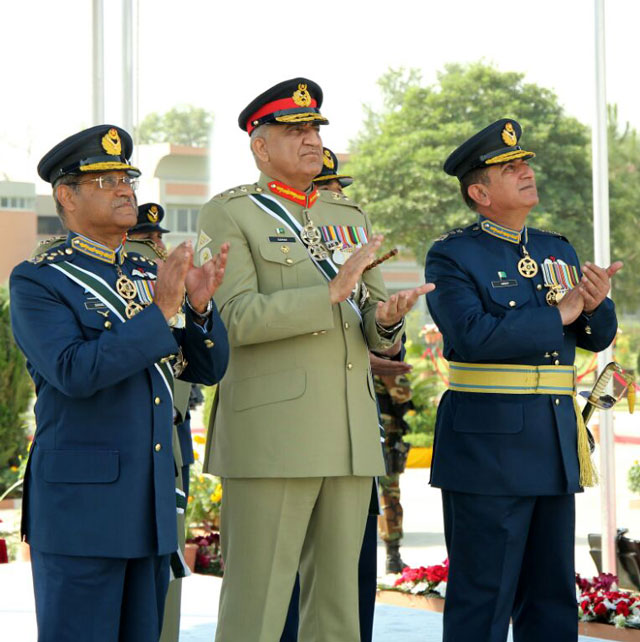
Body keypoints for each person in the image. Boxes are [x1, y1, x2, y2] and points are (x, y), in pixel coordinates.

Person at [196, 78, 432, 642]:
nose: (310, 140)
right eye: (295, 130)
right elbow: (235, 319)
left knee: (338, 612)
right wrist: (325, 295)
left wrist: (390, 318)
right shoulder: (230, 214)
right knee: (257, 608)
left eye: (314, 129)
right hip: (273, 438)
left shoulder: (346, 213)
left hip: (349, 435)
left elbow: (373, 322)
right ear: (260, 146)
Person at [10, 124, 230, 642]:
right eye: (106, 180)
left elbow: (207, 370)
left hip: (147, 505)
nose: (126, 188)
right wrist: (163, 312)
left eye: (126, 177)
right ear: (67, 195)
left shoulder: (146, 269)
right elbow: (73, 371)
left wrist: (197, 308)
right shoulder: (38, 279)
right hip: (82, 513)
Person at [425, 118, 621, 642]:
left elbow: (593, 336)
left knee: (552, 598)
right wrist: (558, 315)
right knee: (483, 598)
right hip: (487, 450)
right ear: (479, 192)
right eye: (509, 168)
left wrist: (596, 306)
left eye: (525, 163)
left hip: (552, 440)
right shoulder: (452, 255)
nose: (526, 172)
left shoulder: (557, 249)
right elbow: (470, 336)